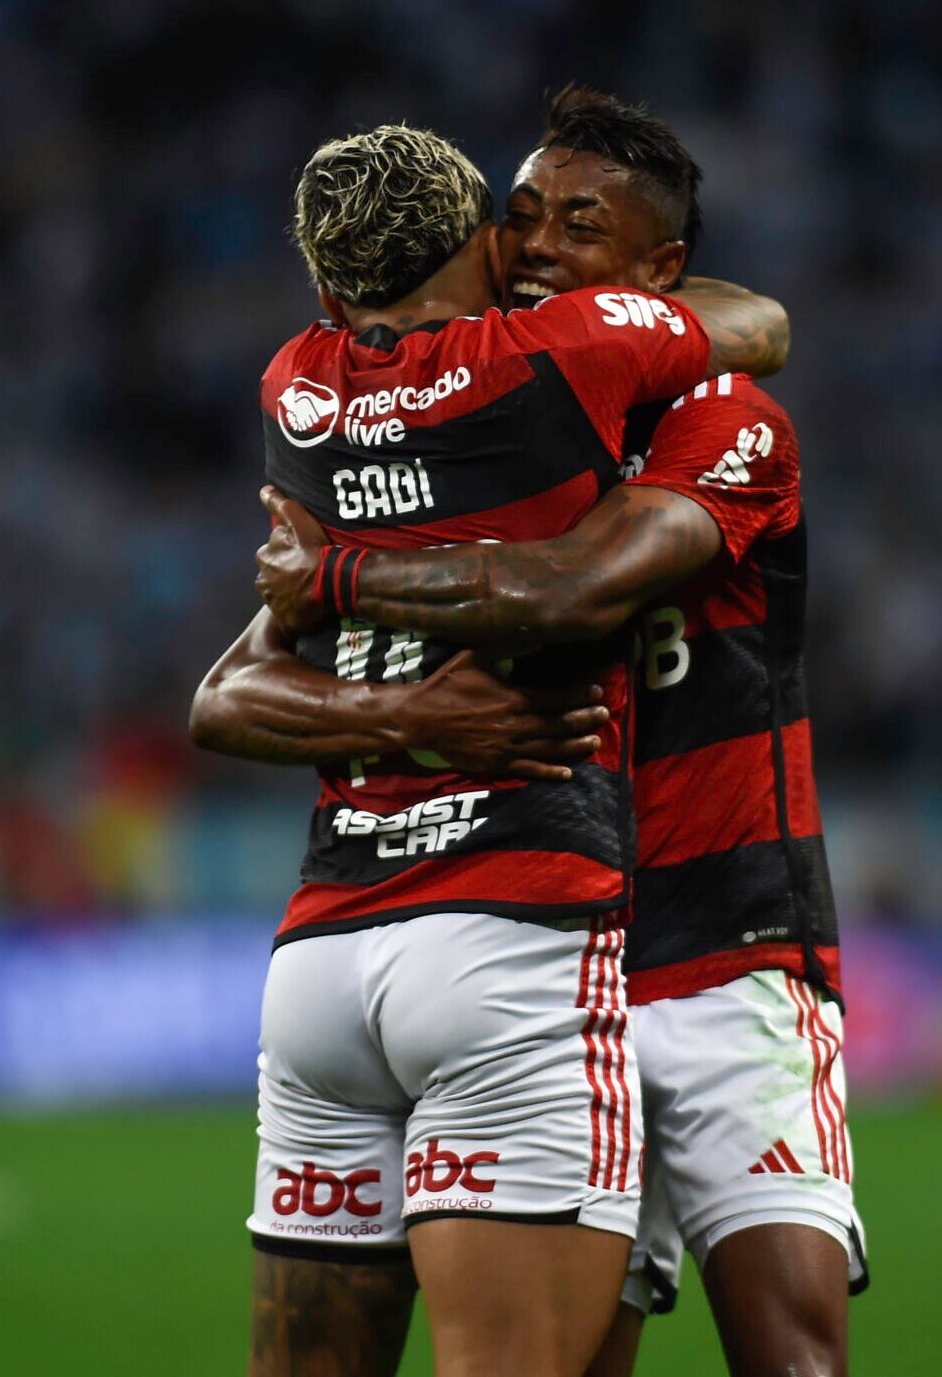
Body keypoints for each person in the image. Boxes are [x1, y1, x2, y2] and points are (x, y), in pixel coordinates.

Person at [207, 89, 860, 1377]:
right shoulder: (479, 422)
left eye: (581, 222)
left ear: (660, 274)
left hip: (717, 938)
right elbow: (226, 688)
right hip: (557, 938)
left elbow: (579, 585)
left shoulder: (719, 418)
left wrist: (336, 575)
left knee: (789, 1353)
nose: (539, 245)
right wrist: (392, 703)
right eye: (519, 217)